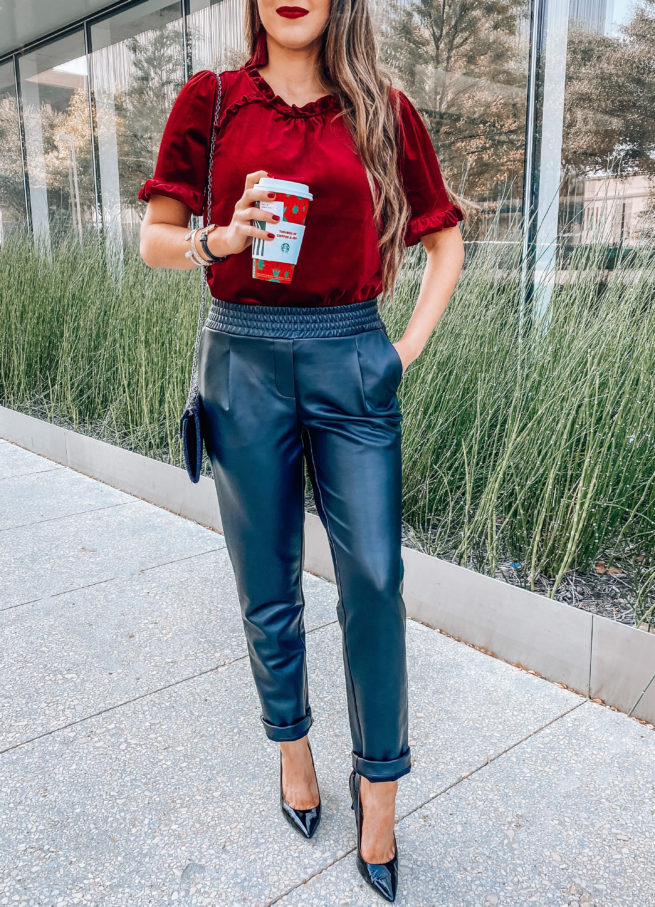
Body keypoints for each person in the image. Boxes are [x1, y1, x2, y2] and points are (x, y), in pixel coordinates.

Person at [138, 1, 466, 900]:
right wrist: (223, 237)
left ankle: (382, 787)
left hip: (352, 358)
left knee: (375, 578)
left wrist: (400, 352)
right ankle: (290, 744)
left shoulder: (382, 108)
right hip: (238, 358)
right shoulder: (209, 101)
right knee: (265, 578)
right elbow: (154, 240)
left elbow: (444, 241)